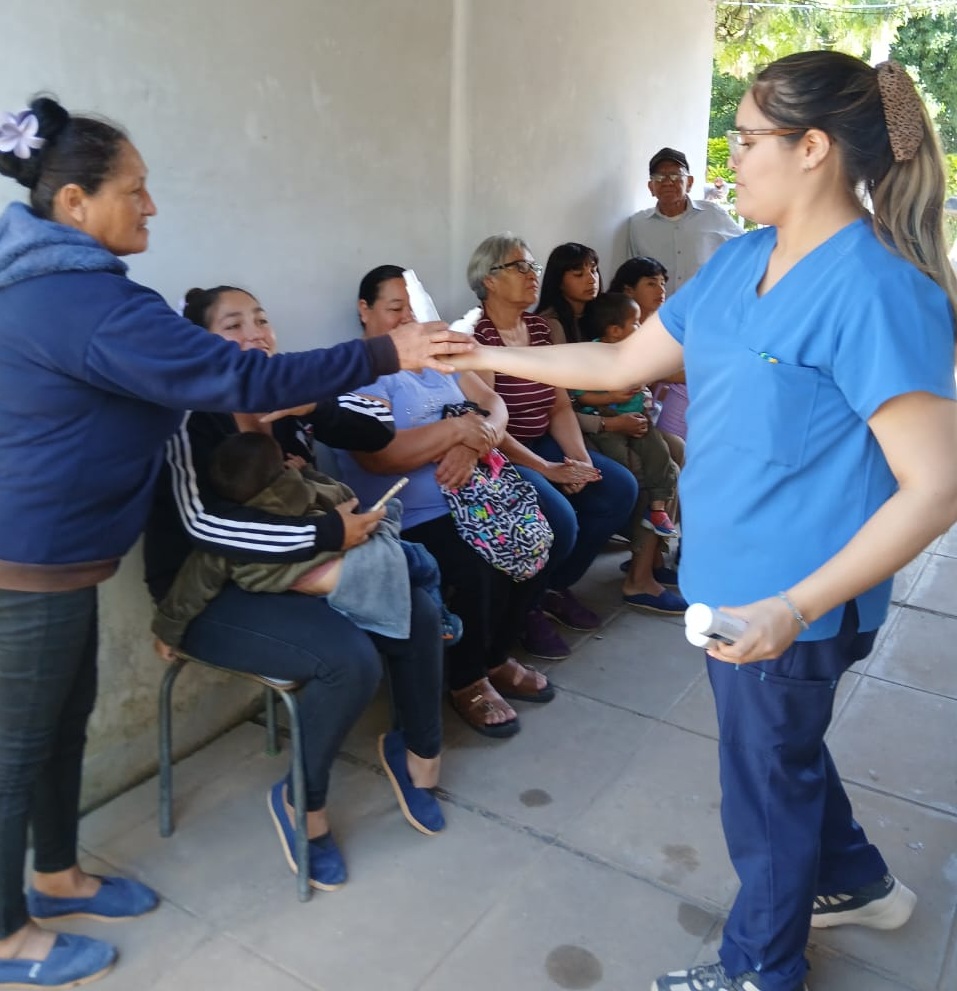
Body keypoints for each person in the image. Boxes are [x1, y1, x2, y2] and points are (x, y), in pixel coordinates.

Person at [445, 53, 957, 991]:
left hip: (791, 597)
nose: (732, 157)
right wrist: (468, 350)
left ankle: (759, 969)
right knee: (780, 753)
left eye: (747, 138)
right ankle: (857, 882)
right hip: (728, 581)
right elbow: (618, 365)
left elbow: (935, 487)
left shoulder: (879, 289)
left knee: (760, 787)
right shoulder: (740, 263)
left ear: (811, 149)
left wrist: (793, 608)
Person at [0, 98, 469, 988]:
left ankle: (57, 878)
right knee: (18, 750)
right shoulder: (80, 305)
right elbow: (236, 379)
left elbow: (266, 388)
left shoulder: (70, 294)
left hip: (59, 561)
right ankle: (7, 936)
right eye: (134, 190)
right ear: (72, 203)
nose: (150, 206)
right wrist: (385, 352)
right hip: (28, 564)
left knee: (58, 732)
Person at [146, 284, 452, 891]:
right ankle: (301, 804)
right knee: (348, 661)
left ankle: (417, 753)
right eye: (233, 325)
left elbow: (376, 425)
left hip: (294, 566)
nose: (255, 333)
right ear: (204, 345)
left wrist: (308, 406)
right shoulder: (186, 415)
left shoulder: (283, 393)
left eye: (261, 319)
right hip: (206, 590)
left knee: (415, 610)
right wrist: (326, 533)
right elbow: (204, 526)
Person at [335, 265, 556, 739]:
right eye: (395, 309)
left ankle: (494, 658)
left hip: (476, 495)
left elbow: (496, 409)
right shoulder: (361, 372)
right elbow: (381, 457)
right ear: (364, 310)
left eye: (413, 309)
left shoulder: (438, 361)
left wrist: (471, 443)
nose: (407, 319)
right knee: (475, 563)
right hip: (410, 513)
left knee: (541, 532)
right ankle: (467, 680)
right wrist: (456, 430)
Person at [467, 234, 641, 657]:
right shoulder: (476, 334)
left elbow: (559, 404)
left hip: (544, 440)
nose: (532, 275)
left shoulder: (543, 330)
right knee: (560, 520)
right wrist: (547, 470)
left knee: (619, 488)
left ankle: (551, 589)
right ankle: (525, 609)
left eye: (533, 267)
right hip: (500, 454)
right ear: (489, 280)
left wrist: (579, 459)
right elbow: (489, 424)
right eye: (520, 267)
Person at [151, 431, 462, 647]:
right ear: (281, 468)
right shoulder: (299, 487)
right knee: (422, 561)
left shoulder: (234, 531)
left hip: (289, 588)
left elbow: (195, 581)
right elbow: (346, 499)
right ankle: (441, 620)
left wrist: (168, 628)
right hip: (343, 563)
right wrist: (309, 473)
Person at [571, 293, 683, 562]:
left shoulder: (636, 352)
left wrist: (642, 394)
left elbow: (648, 379)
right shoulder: (593, 355)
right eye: (634, 323)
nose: (639, 327)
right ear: (614, 331)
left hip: (636, 417)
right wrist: (611, 397)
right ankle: (631, 523)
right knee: (622, 462)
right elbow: (581, 395)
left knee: (660, 453)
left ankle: (657, 509)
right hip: (605, 419)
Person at [626, 146, 743, 293]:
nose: (668, 182)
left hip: (703, 309)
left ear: (689, 183)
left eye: (675, 176)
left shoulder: (712, 215)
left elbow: (745, 249)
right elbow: (632, 276)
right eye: (659, 177)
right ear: (651, 187)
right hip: (661, 312)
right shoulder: (638, 225)